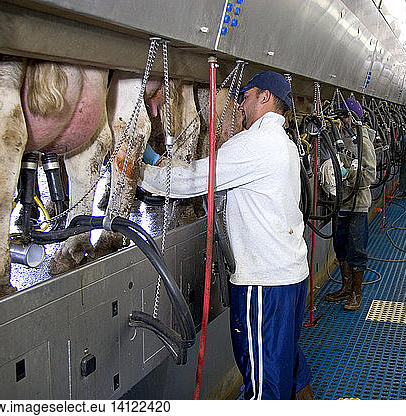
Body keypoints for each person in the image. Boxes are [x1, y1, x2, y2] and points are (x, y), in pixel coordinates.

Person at [139, 71, 312, 400]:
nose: (240, 106)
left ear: (265, 97)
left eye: (245, 97)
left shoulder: (254, 143)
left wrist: (139, 171)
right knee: (286, 361)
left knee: (264, 387)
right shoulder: (286, 145)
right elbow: (232, 188)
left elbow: (194, 179)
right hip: (292, 275)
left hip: (266, 284)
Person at [324, 97, 376, 311]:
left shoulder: (363, 141)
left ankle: (357, 293)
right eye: (339, 117)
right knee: (340, 247)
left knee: (357, 250)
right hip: (340, 203)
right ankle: (346, 287)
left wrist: (348, 175)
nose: (341, 121)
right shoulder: (337, 137)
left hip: (357, 205)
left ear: (353, 118)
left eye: (344, 117)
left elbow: (370, 175)